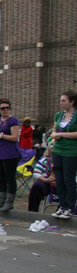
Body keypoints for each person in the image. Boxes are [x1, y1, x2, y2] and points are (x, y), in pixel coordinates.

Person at [0, 98, 21, 212]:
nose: (5, 110)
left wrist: (0, 135)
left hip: (10, 153)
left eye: (7, 108)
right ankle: (1, 200)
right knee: (0, 177)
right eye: (3, 108)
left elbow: (14, 137)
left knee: (10, 178)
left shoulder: (13, 120)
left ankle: (9, 202)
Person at [50, 90, 77, 219]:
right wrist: (55, 136)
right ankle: (62, 205)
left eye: (64, 101)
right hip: (58, 150)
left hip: (71, 151)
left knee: (68, 179)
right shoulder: (59, 115)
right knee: (59, 179)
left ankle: (70, 207)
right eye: (60, 100)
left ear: (72, 102)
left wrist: (61, 135)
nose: (61, 103)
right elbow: (55, 131)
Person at [28, 142, 55, 212]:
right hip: (46, 182)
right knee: (37, 185)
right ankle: (33, 211)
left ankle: (65, 210)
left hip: (61, 184)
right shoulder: (44, 159)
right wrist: (46, 180)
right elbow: (36, 173)